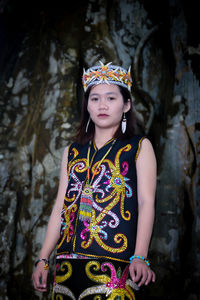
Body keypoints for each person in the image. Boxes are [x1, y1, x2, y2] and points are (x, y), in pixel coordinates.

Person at [32, 61, 157, 299]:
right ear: (87, 106)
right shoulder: (73, 151)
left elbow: (146, 202)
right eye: (95, 98)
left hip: (115, 266)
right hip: (66, 268)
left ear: (126, 104)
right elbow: (61, 205)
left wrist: (140, 256)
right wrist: (43, 259)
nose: (102, 105)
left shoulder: (139, 146)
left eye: (111, 98)